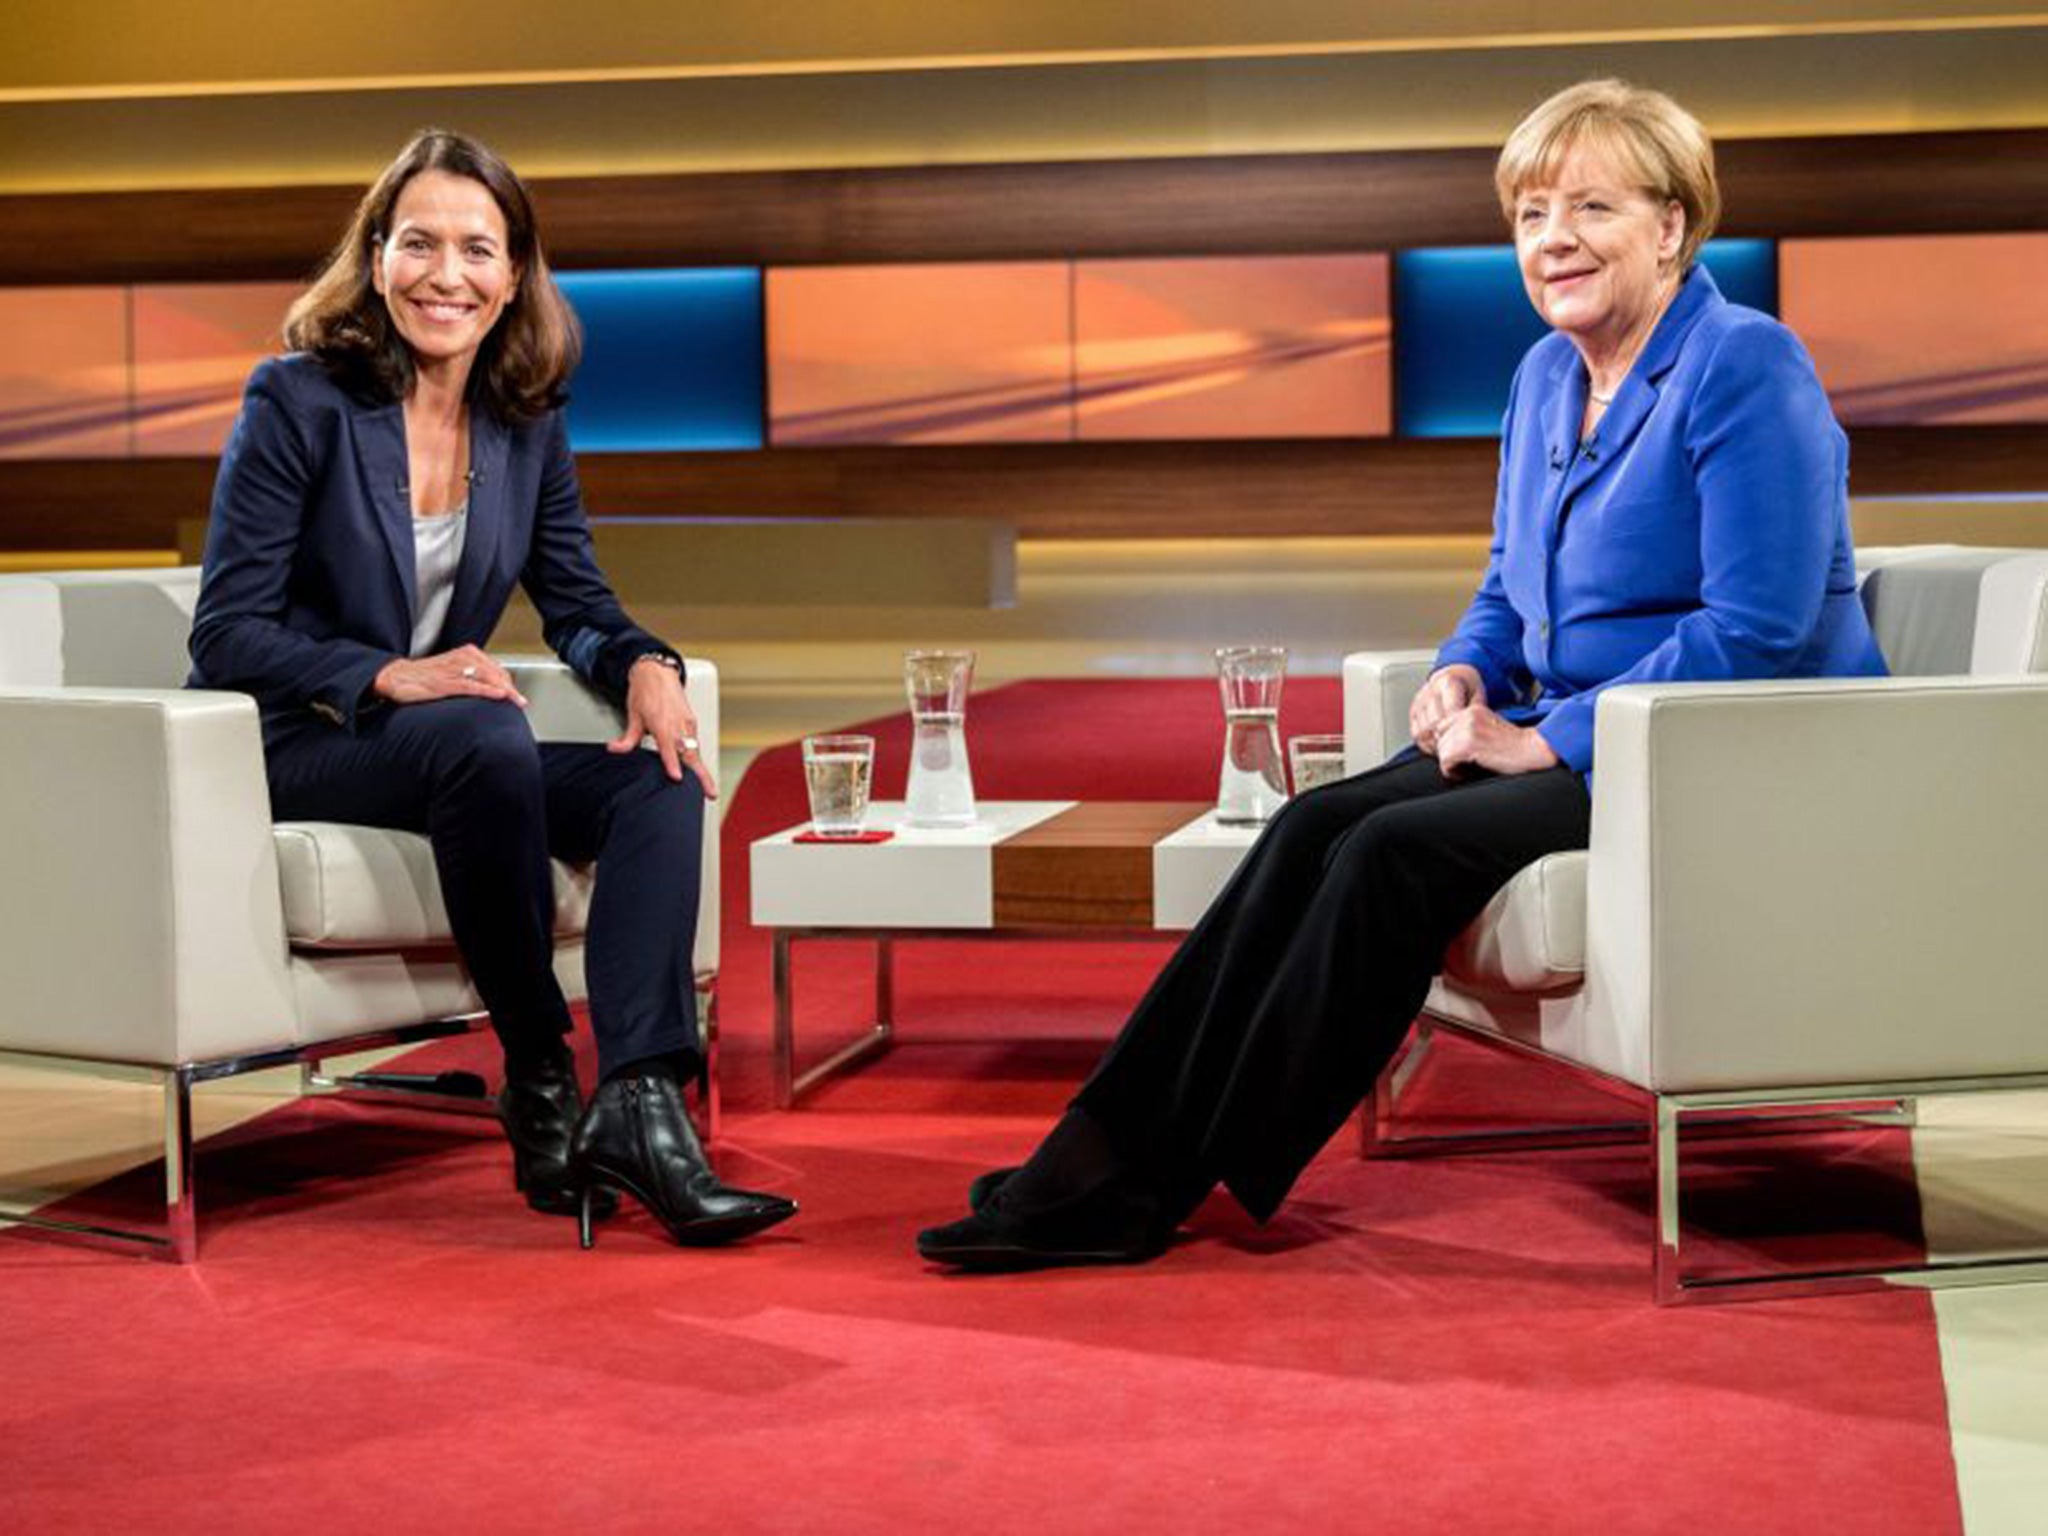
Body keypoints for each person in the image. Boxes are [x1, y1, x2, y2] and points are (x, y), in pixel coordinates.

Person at [917, 78, 1889, 1271]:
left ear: (1672, 226)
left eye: (1590, 206)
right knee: (1311, 822)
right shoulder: (1544, 375)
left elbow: (1760, 626)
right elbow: (1505, 583)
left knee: (1389, 851)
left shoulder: (1744, 364)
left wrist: (1546, 738)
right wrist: (1461, 675)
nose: (1553, 240)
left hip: (1724, 745)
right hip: (1589, 729)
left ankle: (1152, 1184)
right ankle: (1100, 1148)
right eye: (1530, 214)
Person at [189, 129, 795, 1248]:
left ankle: (646, 1104)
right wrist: (384, 672)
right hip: (305, 742)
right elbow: (227, 632)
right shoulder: (297, 400)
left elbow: (574, 603)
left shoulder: (524, 420)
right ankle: (537, 1069)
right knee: (477, 731)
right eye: (418, 243)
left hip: (460, 754)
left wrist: (647, 667)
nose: (445, 275)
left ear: (514, 273)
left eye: (476, 249)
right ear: (376, 258)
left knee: (654, 779)